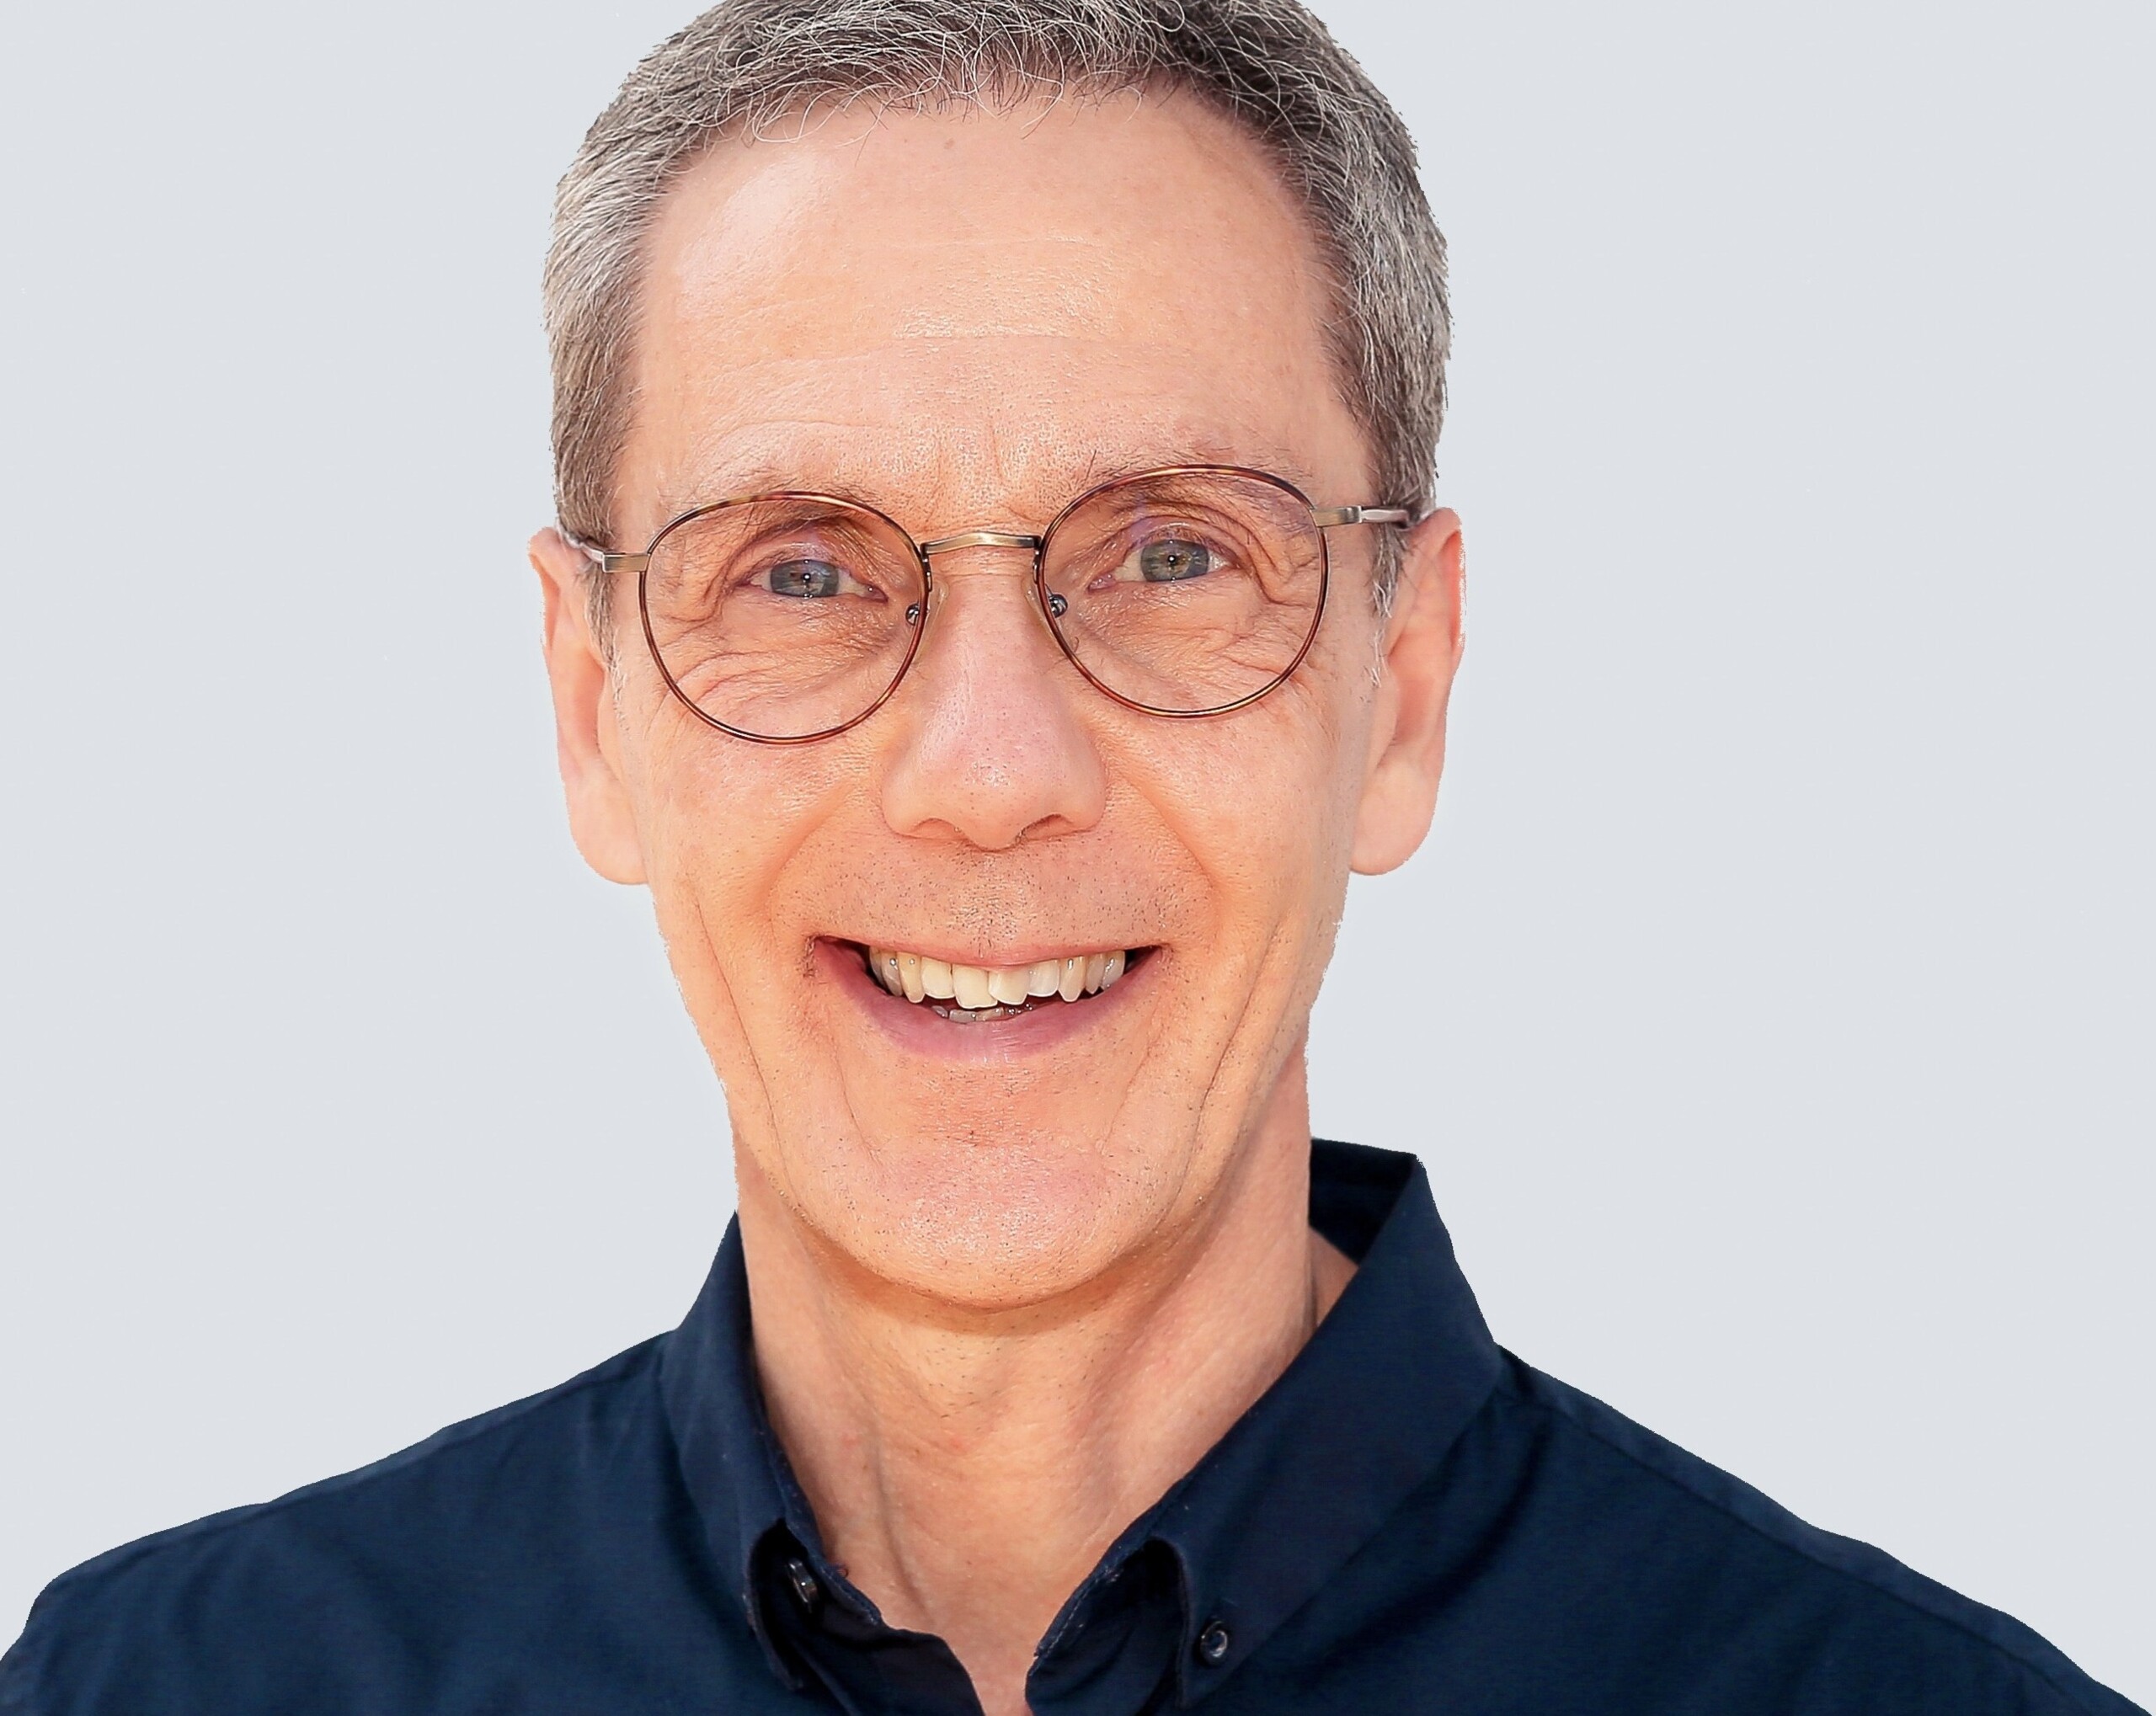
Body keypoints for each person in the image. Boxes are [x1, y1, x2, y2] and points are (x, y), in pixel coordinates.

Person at [1, 3, 2141, 1713]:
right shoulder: (156, 1688)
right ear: (593, 709)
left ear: (1399, 690)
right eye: (807, 572)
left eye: (1171, 554)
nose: (989, 770)